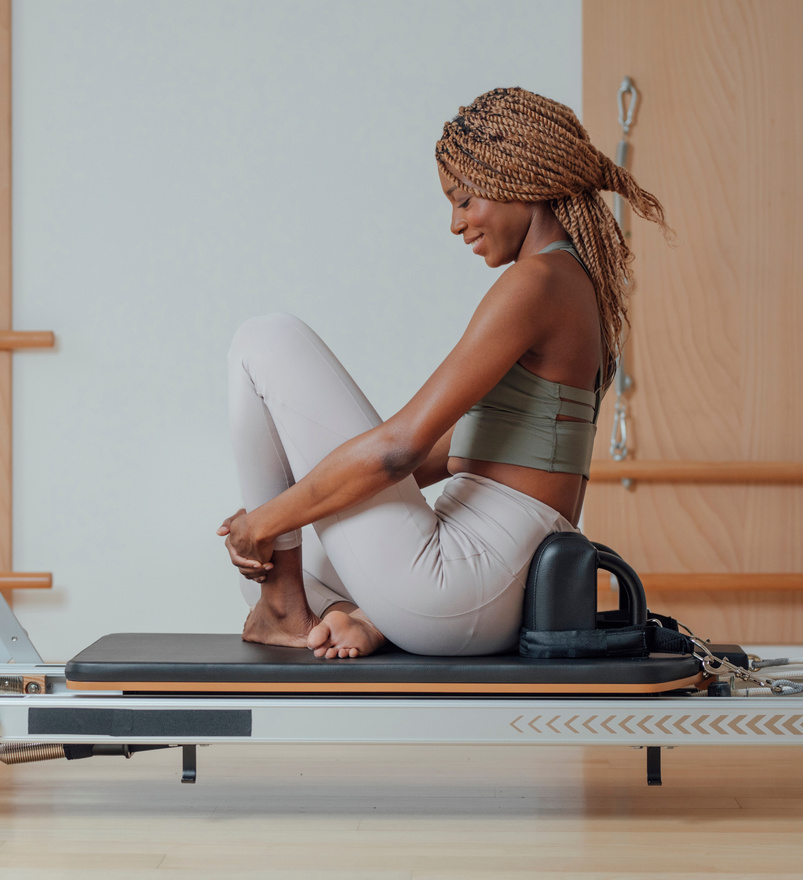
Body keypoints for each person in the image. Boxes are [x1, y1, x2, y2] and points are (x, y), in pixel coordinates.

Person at [217, 87, 669, 659]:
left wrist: (265, 522)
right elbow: (442, 456)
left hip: (467, 584)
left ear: (516, 181)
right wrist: (279, 517)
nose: (455, 224)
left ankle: (285, 608)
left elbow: (399, 449)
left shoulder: (536, 283)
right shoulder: (569, 284)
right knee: (292, 545)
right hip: (494, 592)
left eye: (464, 200)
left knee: (265, 339)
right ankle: (357, 616)